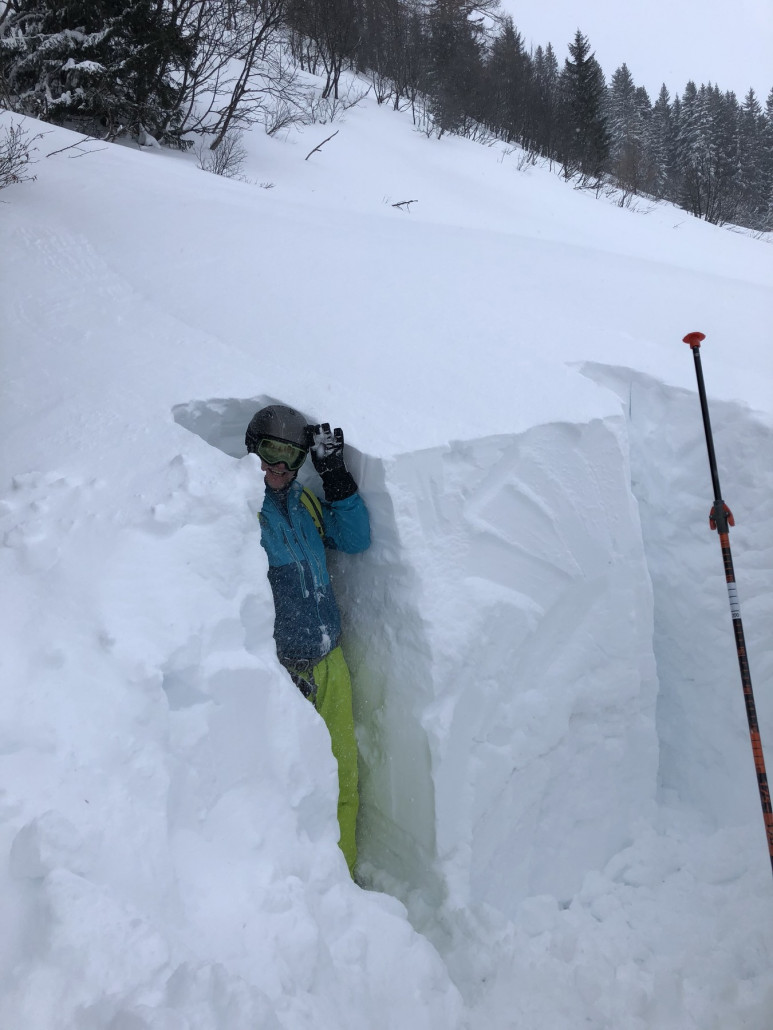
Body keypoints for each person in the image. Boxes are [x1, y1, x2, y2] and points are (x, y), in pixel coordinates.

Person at [245, 404, 370, 875]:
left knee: (343, 780)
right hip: (284, 676)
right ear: (252, 451)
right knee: (296, 788)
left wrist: (334, 477)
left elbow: (356, 540)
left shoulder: (307, 506)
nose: (278, 468)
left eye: (290, 458)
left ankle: (345, 885)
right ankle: (303, 890)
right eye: (270, 453)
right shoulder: (243, 516)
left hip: (330, 662)